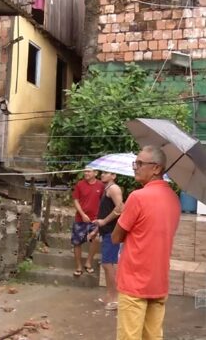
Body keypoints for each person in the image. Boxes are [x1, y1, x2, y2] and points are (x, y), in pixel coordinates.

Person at [112, 145, 181, 340]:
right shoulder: (174, 199)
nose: (135, 167)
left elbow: (116, 237)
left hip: (135, 282)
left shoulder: (137, 197)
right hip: (158, 282)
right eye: (136, 162)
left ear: (157, 169)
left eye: (140, 163)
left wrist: (120, 213)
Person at [92, 170, 123, 310]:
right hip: (106, 232)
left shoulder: (114, 188)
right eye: (102, 173)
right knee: (106, 265)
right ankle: (109, 295)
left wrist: (104, 221)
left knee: (108, 264)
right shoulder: (107, 189)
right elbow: (105, 211)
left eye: (106, 173)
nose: (102, 175)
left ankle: (115, 299)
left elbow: (120, 208)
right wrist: (95, 231)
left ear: (114, 176)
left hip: (112, 232)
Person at [71, 167, 104, 276]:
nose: (86, 173)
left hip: (95, 219)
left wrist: (101, 217)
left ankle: (88, 262)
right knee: (77, 242)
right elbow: (75, 200)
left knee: (96, 239)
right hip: (80, 218)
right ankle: (78, 266)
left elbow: (103, 201)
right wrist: (82, 214)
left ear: (95, 173)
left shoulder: (101, 185)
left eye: (89, 171)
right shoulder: (80, 184)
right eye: (85, 171)